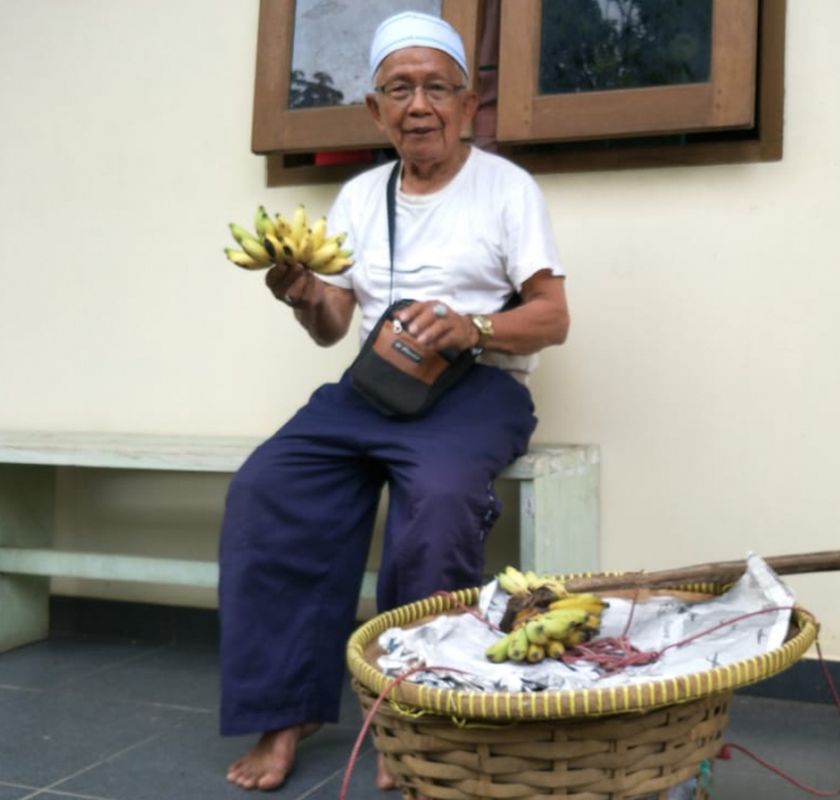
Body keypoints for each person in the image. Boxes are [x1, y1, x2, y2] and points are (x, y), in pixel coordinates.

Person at [219, 11, 569, 791]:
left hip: (478, 386)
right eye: (400, 89)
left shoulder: (506, 189)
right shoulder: (356, 196)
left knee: (439, 502)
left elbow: (553, 317)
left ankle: (408, 718)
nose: (420, 105)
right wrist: (306, 294)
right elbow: (333, 325)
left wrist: (474, 325)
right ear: (376, 110)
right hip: (373, 383)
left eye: (437, 87)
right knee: (269, 489)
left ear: (468, 103)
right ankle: (286, 711)